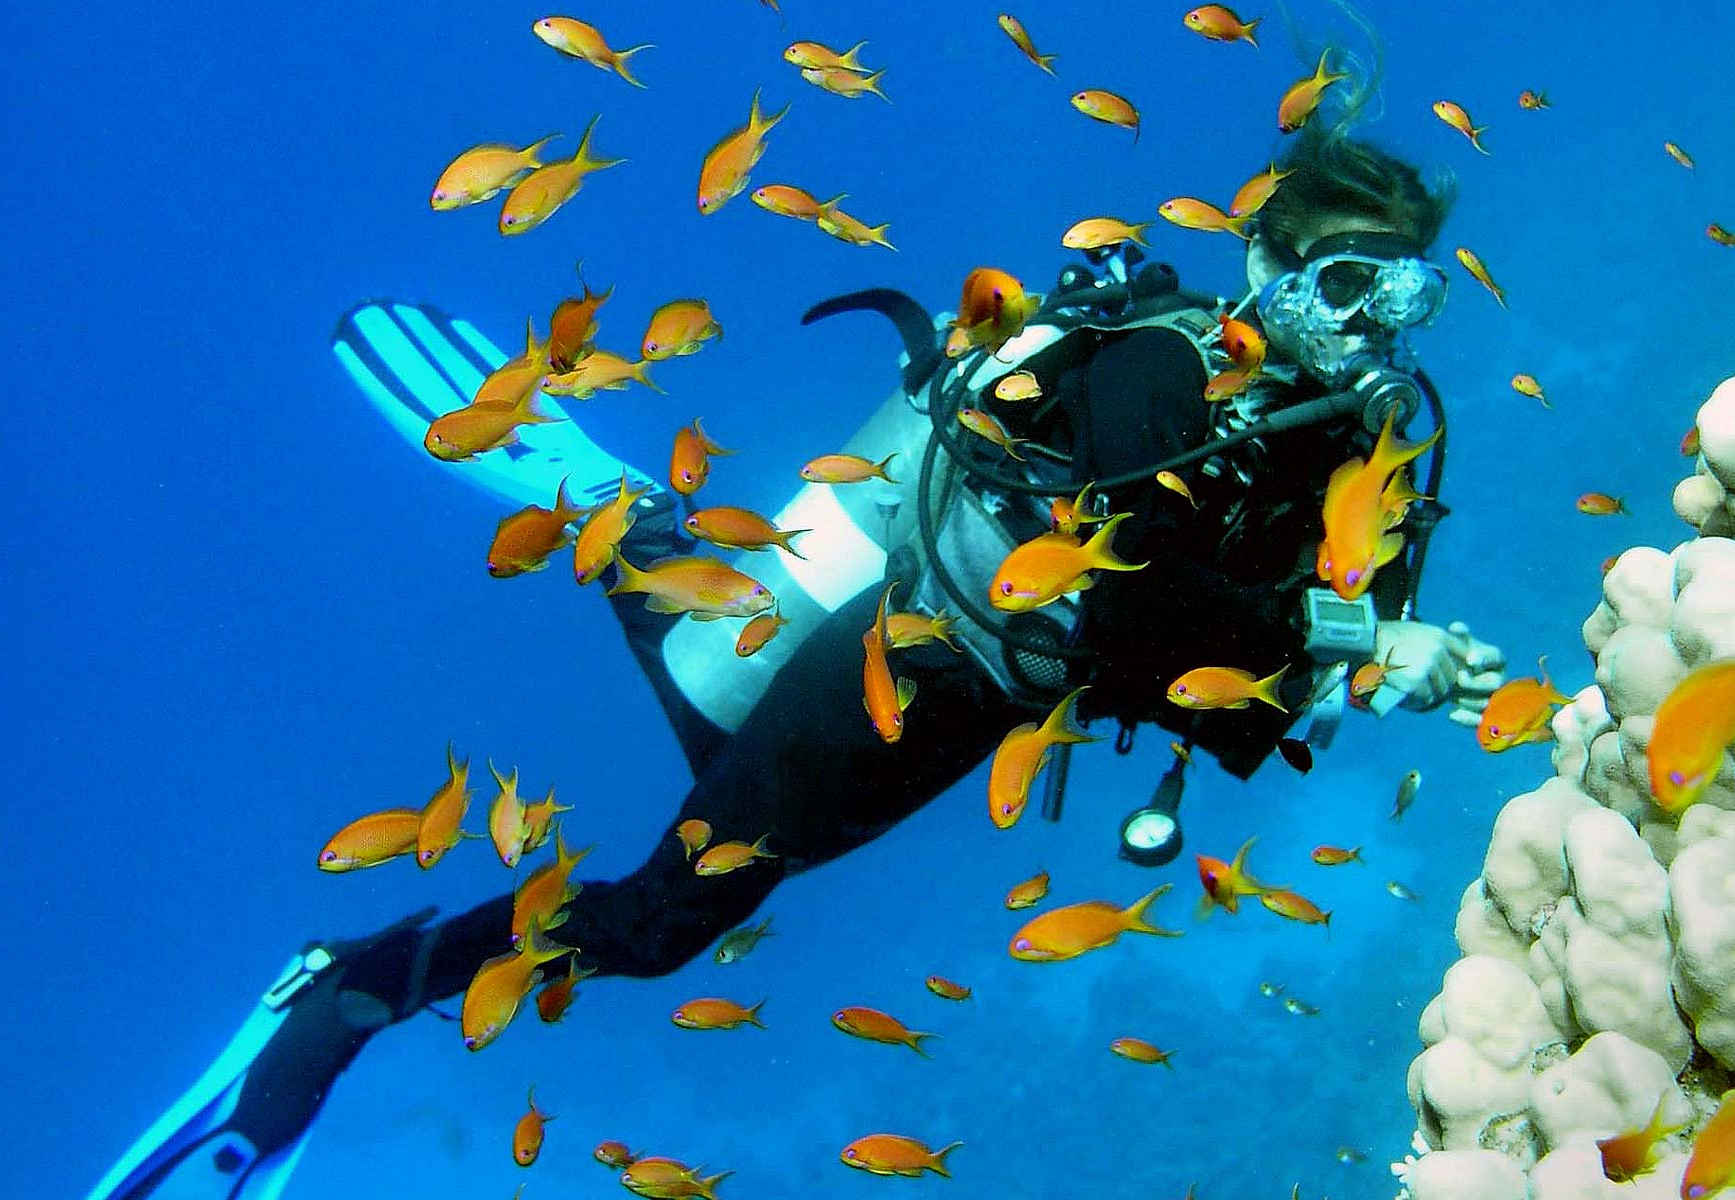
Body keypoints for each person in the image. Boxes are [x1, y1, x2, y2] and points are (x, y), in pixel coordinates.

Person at [87, 125, 1507, 1200]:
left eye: (1407, 301)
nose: (1373, 328)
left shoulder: (1346, 442)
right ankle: (344, 990)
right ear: (1266, 263)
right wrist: (1356, 641)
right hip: (909, 654)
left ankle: (622, 522)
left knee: (710, 720)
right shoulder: (1162, 369)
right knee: (660, 922)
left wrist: (1354, 659)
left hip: (980, 704)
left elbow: (1230, 669)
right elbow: (1142, 618)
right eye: (1340, 283)